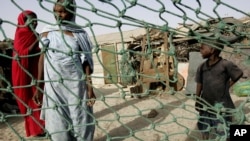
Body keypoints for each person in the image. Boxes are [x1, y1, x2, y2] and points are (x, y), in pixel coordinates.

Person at [33, 0, 96, 140]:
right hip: (54, 86)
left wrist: (90, 88)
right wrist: (39, 86)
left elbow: (86, 63)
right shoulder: (47, 32)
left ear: (72, 12)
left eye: (62, 11)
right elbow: (42, 60)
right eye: (56, 11)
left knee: (82, 120)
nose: (58, 15)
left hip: (76, 85)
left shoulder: (80, 34)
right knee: (58, 124)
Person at [195, 39, 243, 140]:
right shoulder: (202, 66)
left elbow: (238, 74)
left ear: (212, 49)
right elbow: (199, 83)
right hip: (206, 104)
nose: (200, 50)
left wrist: (228, 85)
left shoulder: (225, 65)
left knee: (224, 131)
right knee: (204, 128)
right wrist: (197, 99)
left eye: (202, 48)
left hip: (222, 106)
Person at [12, 10, 45, 137]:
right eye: (31, 20)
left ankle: (43, 127)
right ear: (23, 21)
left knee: (40, 99)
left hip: (36, 71)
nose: (35, 23)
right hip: (24, 73)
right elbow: (22, 54)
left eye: (36, 20)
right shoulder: (21, 34)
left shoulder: (34, 34)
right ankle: (36, 130)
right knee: (31, 101)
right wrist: (37, 39)